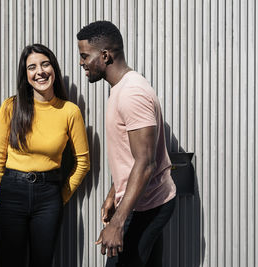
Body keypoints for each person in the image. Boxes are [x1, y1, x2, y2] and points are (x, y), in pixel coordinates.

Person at [77, 21, 177, 267]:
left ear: (105, 55)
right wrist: (114, 192)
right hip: (143, 201)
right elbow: (132, 156)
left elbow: (145, 162)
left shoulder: (132, 93)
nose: (81, 63)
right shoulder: (121, 88)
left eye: (84, 56)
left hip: (146, 206)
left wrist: (117, 222)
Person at [0, 43, 90, 267]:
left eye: (45, 64)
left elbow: (83, 162)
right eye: (32, 67)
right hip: (11, 193)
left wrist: (60, 197)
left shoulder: (69, 111)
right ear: (26, 75)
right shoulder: (10, 107)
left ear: (53, 68)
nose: (40, 71)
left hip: (49, 196)